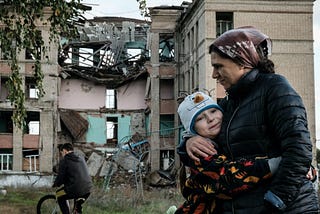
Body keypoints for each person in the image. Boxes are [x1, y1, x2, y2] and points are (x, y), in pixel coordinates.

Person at [177, 26, 319, 213]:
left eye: (218, 66)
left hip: (288, 208)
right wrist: (188, 142)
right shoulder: (228, 104)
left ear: (242, 63)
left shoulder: (276, 89)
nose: (214, 74)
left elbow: (299, 150)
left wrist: (276, 200)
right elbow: (214, 151)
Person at [175, 91, 281, 214]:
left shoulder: (225, 138)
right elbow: (228, 179)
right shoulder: (200, 152)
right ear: (192, 130)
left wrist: (298, 164)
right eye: (199, 118)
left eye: (213, 111)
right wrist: (278, 163)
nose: (210, 119)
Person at [53, 143, 93, 214]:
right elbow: (76, 173)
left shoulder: (65, 160)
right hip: (88, 188)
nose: (62, 155)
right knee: (77, 207)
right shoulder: (81, 157)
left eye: (61, 153)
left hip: (77, 188)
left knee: (59, 195)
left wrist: (56, 184)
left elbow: (61, 177)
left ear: (64, 151)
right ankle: (77, 210)